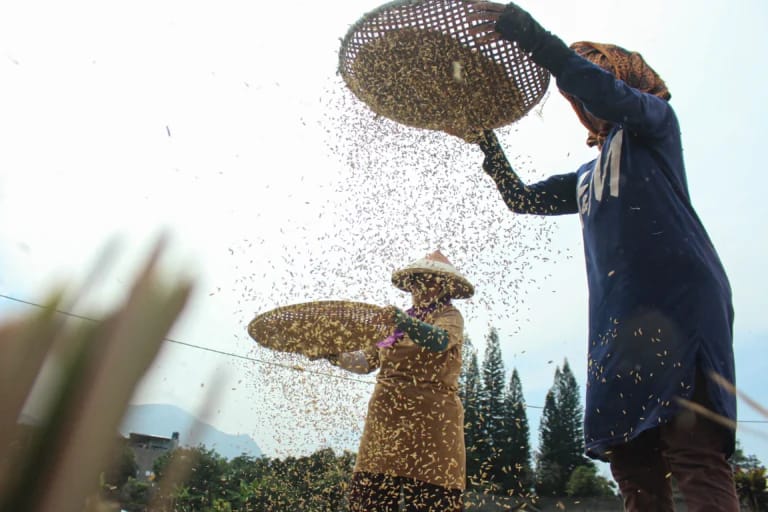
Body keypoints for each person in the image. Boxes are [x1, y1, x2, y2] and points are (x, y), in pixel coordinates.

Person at [464, 3, 738, 511]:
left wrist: (535, 40)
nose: (588, 100)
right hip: (620, 323)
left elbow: (608, 93)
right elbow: (522, 199)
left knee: (693, 451)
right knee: (632, 463)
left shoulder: (654, 125)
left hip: (679, 303)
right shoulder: (589, 174)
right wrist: (486, 143)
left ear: (625, 82)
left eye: (597, 80)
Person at [324, 250, 473, 511]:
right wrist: (333, 355)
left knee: (432, 499)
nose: (420, 286)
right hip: (386, 421)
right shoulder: (394, 324)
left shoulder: (449, 316)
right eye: (417, 281)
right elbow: (365, 362)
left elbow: (438, 341)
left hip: (433, 424)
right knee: (371, 498)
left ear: (443, 286)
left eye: (429, 280)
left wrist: (404, 321)